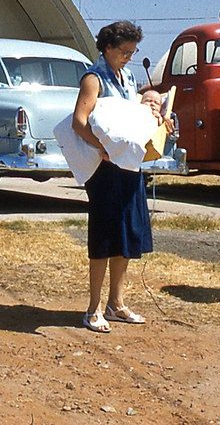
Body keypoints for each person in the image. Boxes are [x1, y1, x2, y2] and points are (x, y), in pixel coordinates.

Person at [72, 20, 168, 333]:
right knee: (104, 235)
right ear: (108, 48)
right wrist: (100, 147)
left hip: (128, 165)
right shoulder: (93, 78)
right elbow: (79, 121)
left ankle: (116, 303)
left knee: (125, 233)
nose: (128, 57)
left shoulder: (127, 77)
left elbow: (131, 118)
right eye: (124, 52)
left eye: (132, 52)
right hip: (105, 169)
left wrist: (155, 118)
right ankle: (94, 308)